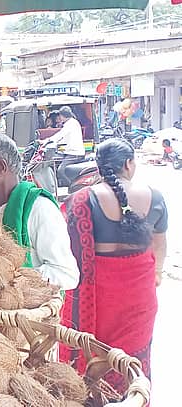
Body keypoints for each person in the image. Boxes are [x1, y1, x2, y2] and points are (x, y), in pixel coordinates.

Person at [60, 139, 166, 392]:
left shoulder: (83, 199)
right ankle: (131, 397)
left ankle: (90, 397)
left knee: (94, 354)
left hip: (98, 299)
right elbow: (160, 245)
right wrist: (157, 273)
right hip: (140, 296)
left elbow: (66, 249)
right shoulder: (155, 196)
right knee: (133, 359)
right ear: (129, 164)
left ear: (99, 167)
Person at [0, 133, 79, 290]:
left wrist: (14, 278)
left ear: (0, 167)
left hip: (25, 304)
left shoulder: (40, 209)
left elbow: (66, 274)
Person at [46, 106, 86, 185]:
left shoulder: (71, 124)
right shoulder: (71, 123)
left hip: (75, 153)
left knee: (61, 170)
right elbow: (64, 138)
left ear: (63, 115)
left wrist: (46, 141)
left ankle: (71, 186)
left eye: (60, 116)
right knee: (55, 161)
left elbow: (60, 135)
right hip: (69, 152)